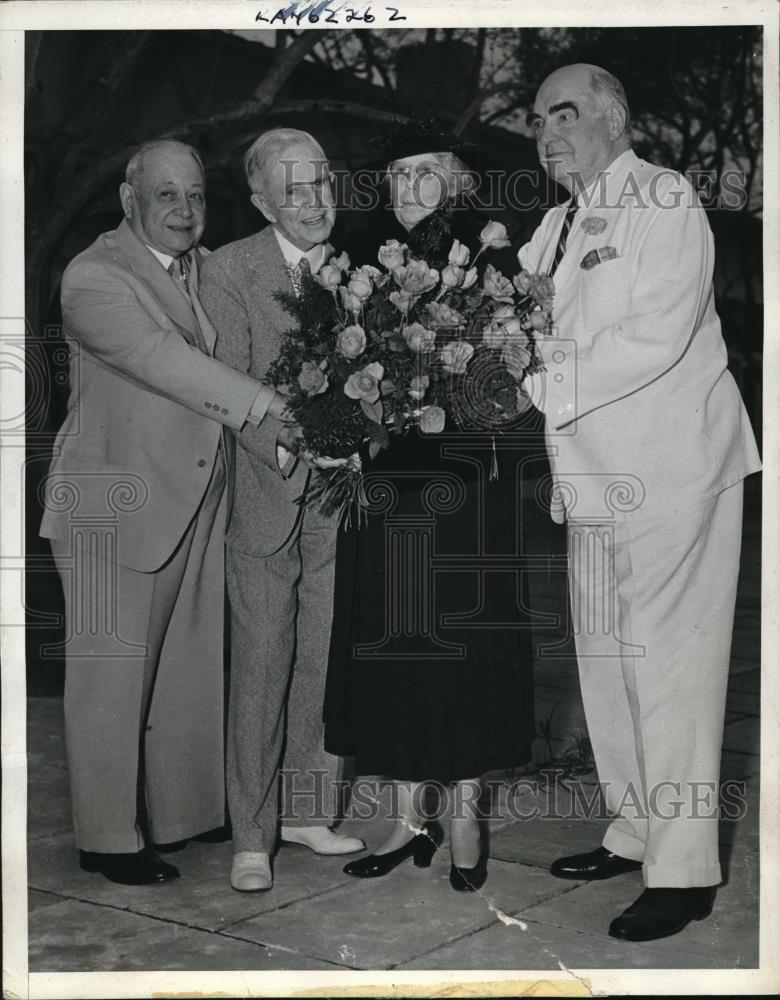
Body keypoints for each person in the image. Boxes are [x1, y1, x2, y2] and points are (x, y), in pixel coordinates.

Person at [520, 64, 761, 940]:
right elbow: (516, 325)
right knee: (607, 665)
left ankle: (686, 868)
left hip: (672, 468)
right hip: (589, 475)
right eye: (539, 116)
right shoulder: (551, 226)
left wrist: (536, 373)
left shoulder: (665, 199)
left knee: (669, 669)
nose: (547, 129)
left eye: (567, 111)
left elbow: (655, 333)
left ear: (616, 120)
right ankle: (634, 830)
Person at [39, 139, 290, 886]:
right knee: (110, 678)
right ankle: (108, 836)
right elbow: (161, 359)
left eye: (196, 197)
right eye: (166, 196)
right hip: (112, 503)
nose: (184, 212)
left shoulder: (204, 268)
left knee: (183, 670)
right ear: (129, 200)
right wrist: (269, 406)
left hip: (191, 498)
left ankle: (180, 818)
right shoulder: (95, 276)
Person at [324, 118, 540, 893]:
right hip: (385, 487)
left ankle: (466, 810)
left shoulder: (494, 262)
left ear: (458, 184)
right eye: (400, 176)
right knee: (394, 644)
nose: (412, 191)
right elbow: (325, 370)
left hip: (465, 486)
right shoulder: (357, 261)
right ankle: (405, 816)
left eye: (429, 175)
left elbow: (518, 380)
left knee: (461, 645)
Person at [199, 128, 364, 893]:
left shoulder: (354, 271)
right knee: (262, 665)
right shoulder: (229, 269)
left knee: (324, 659)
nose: (313, 202)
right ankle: (251, 835)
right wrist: (310, 440)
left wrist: (362, 433)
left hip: (337, 502)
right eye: (292, 190)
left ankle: (306, 811)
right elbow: (233, 386)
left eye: (322, 183)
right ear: (263, 201)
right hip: (268, 494)